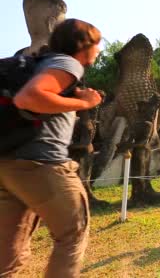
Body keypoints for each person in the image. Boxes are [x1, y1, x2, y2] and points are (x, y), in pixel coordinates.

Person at [0, 19, 103, 277]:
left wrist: (71, 97)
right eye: (97, 44)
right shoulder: (68, 63)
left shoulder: (42, 63)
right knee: (73, 233)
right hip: (42, 165)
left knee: (7, 254)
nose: (99, 50)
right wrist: (85, 104)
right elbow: (29, 98)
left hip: (8, 167)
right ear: (83, 46)